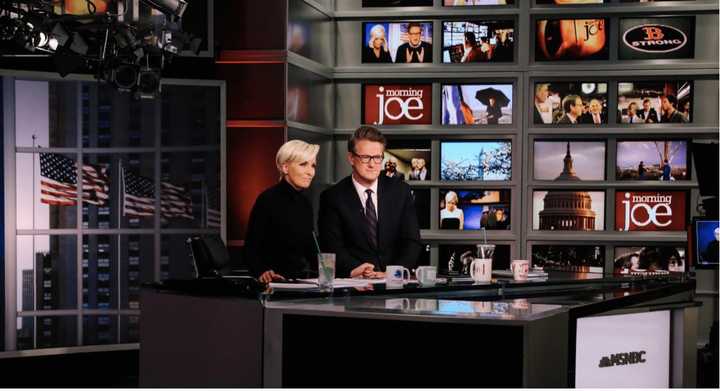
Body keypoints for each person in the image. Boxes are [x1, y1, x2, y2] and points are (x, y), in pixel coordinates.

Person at [319, 126, 422, 278]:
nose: (372, 164)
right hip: (354, 287)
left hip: (395, 284)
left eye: (377, 157)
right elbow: (332, 246)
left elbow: (411, 241)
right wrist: (355, 270)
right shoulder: (333, 197)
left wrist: (394, 273)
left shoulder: (401, 191)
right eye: (365, 157)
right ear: (351, 158)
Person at [243, 140, 320, 283]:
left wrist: (327, 275)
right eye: (303, 164)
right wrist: (262, 271)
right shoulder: (267, 199)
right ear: (285, 167)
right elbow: (251, 248)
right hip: (275, 283)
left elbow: (311, 249)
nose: (310, 172)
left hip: (301, 282)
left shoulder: (305, 203)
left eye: (313, 165)